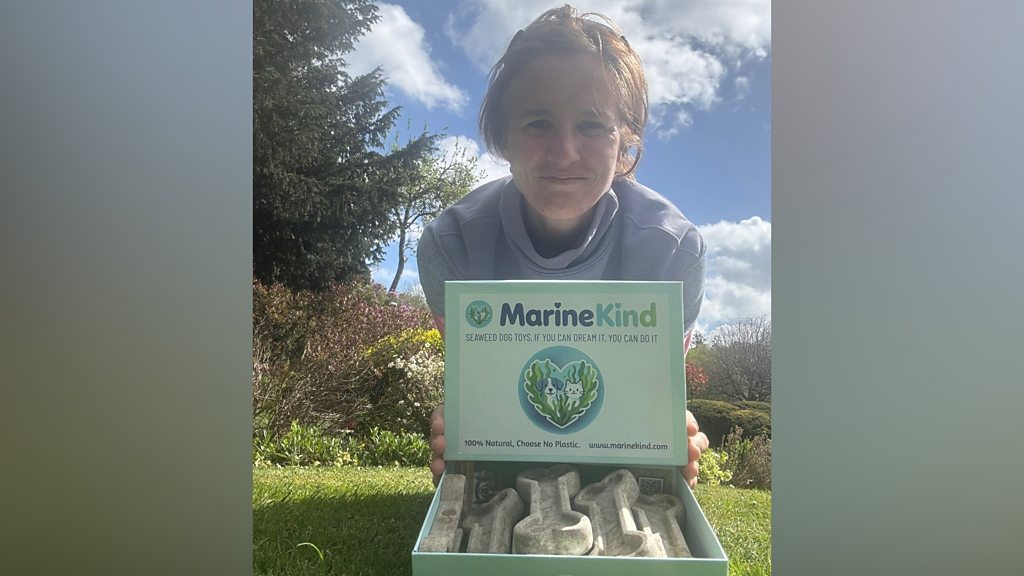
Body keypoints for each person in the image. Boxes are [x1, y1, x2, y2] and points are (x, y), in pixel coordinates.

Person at [416, 5, 710, 488]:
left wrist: (672, 434)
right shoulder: (451, 245)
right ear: (503, 135)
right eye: (538, 123)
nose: (564, 152)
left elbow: (650, 398)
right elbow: (484, 395)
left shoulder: (674, 251)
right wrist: (461, 429)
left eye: (592, 125)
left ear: (625, 140)